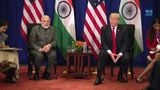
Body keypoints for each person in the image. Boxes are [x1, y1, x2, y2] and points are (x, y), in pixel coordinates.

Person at [93, 13, 129, 85]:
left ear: (118, 21)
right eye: (111, 19)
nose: (112, 21)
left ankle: (120, 75)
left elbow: (125, 43)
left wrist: (120, 54)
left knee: (126, 57)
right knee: (102, 53)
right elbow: (103, 43)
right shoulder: (104, 28)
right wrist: (110, 52)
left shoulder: (124, 29)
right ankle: (99, 77)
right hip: (108, 51)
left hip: (119, 51)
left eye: (114, 19)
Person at [29, 15, 57, 81]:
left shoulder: (52, 29)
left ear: (50, 22)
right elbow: (31, 42)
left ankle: (47, 73)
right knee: (39, 55)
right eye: (44, 21)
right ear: (41, 21)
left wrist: (49, 45)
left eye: (48, 21)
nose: (46, 23)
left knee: (53, 55)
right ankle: (37, 73)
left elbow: (55, 41)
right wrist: (40, 49)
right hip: (36, 49)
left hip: (48, 48)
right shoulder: (35, 29)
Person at [136, 18, 160, 83]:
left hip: (158, 53)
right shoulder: (150, 32)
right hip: (153, 52)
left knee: (156, 57)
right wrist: (152, 48)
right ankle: (153, 78)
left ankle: (141, 76)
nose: (157, 28)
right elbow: (148, 44)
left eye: (159, 26)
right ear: (153, 25)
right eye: (156, 26)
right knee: (156, 56)